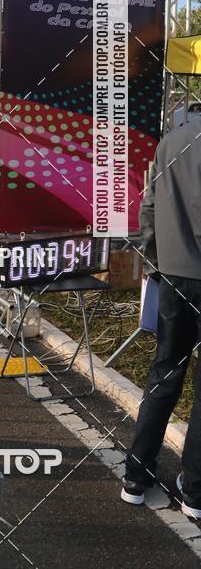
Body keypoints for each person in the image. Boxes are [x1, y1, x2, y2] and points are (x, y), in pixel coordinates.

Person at [122, 113, 201, 518]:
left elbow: (148, 206)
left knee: (166, 370)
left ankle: (136, 475)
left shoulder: (171, 141)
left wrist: (154, 262)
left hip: (173, 276)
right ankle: (195, 492)